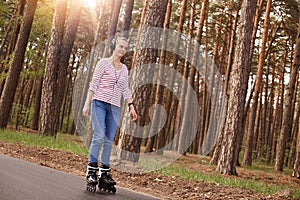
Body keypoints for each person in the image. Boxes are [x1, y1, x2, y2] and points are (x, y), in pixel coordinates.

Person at [82, 36, 137, 193]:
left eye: (125, 48)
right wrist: (87, 104)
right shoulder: (103, 63)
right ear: (114, 46)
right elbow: (94, 84)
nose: (122, 50)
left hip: (114, 107)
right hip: (99, 102)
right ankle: (91, 172)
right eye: (120, 46)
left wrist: (131, 106)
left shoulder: (124, 69)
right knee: (98, 136)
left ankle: (104, 174)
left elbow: (125, 89)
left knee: (108, 140)